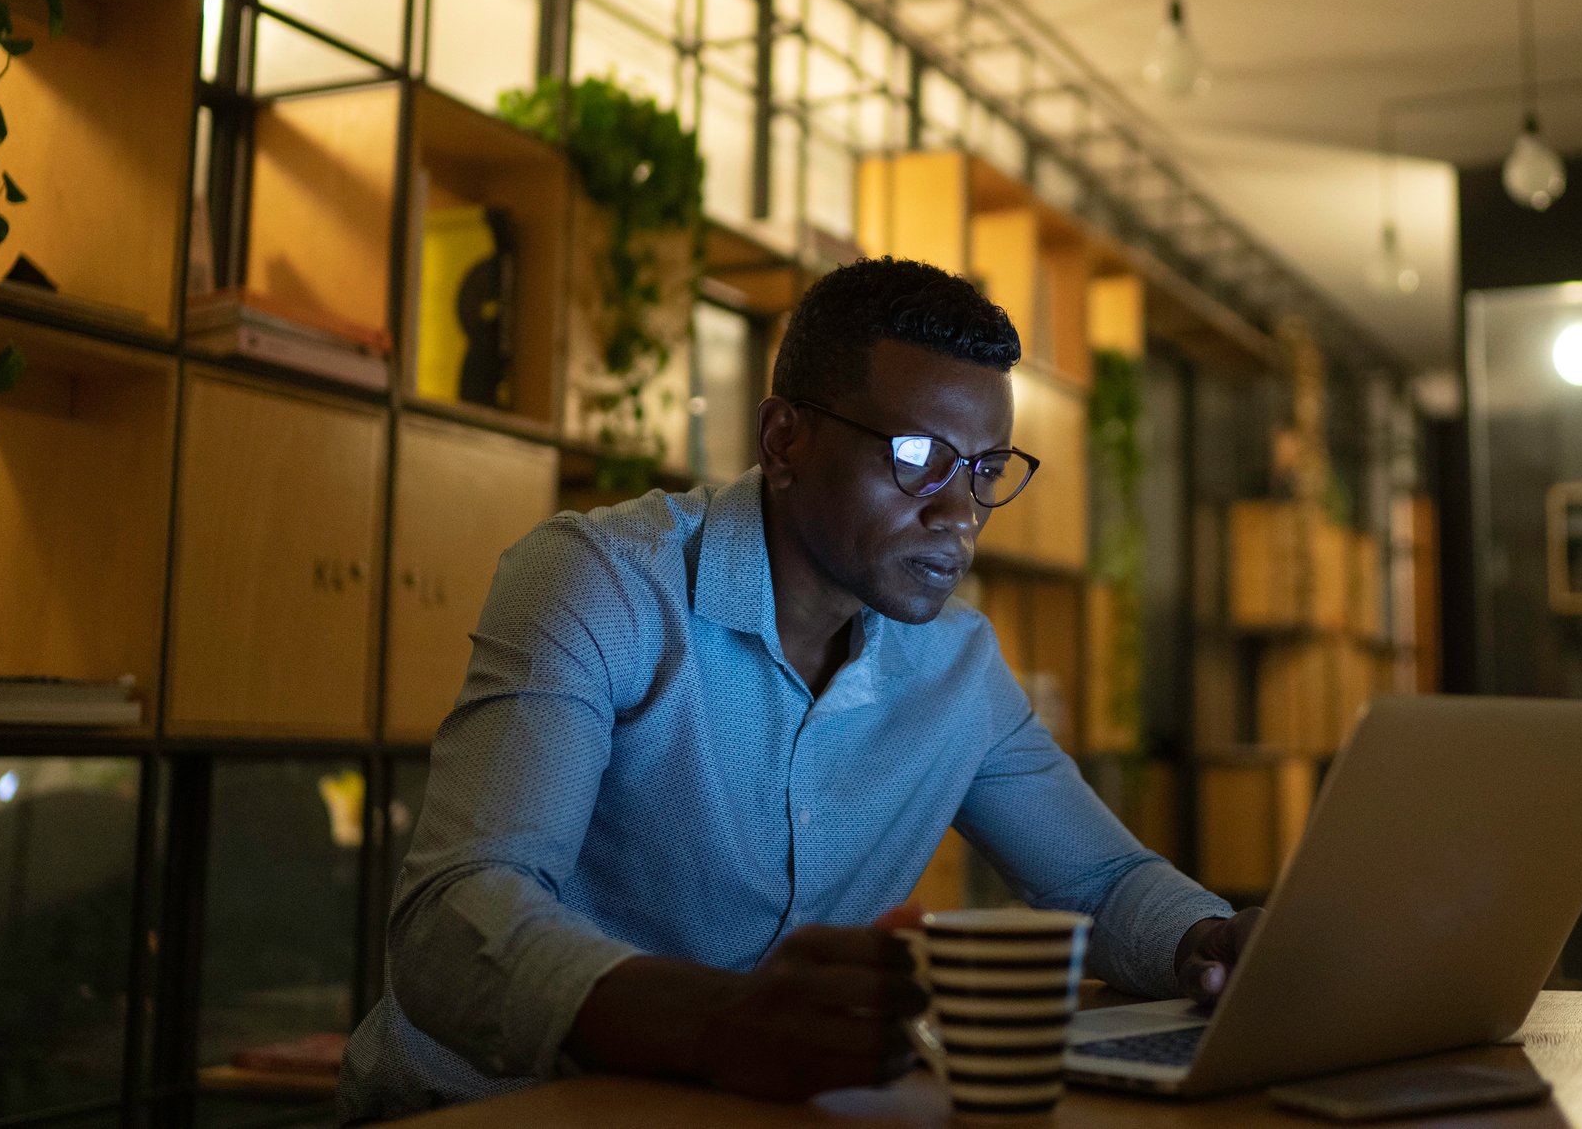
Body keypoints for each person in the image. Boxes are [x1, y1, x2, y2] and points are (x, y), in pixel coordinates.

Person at [338, 257, 1260, 1123]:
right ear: (785, 438)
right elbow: (453, 919)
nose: (961, 511)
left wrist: (1211, 942)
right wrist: (722, 1022)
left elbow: (1100, 881)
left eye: (984, 470)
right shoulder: (603, 582)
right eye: (919, 456)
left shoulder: (959, 666)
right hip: (493, 1109)